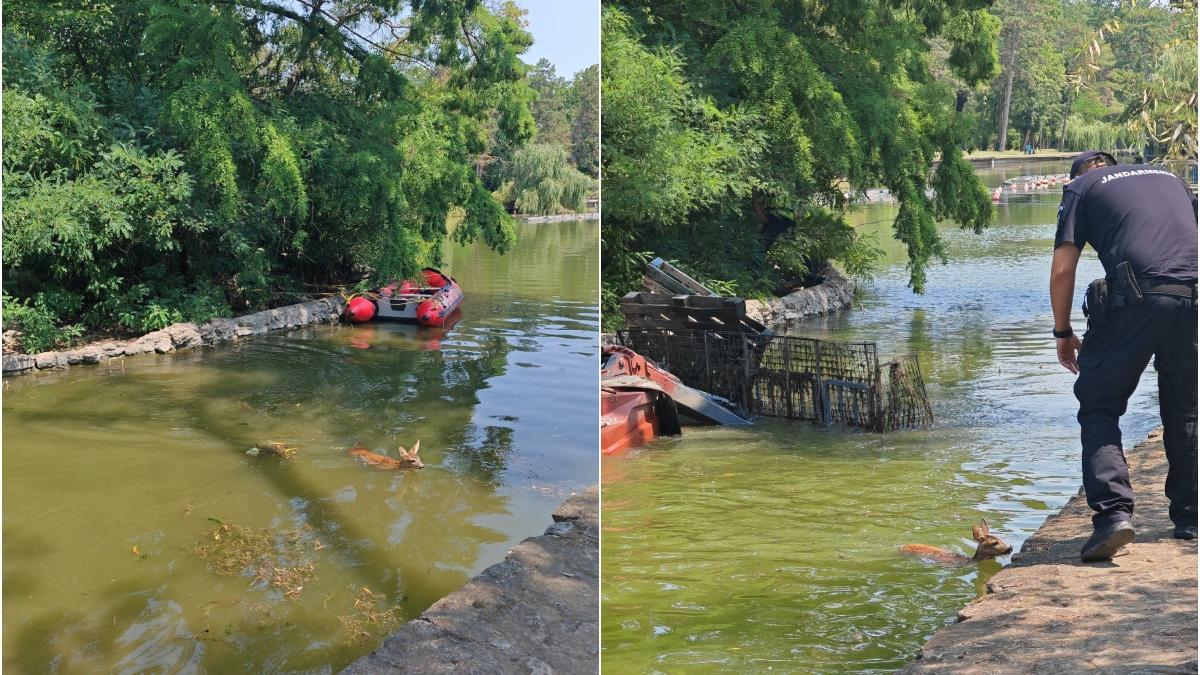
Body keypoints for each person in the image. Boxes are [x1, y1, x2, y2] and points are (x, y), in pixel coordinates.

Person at [1050, 150, 1198, 562]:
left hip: (1136, 297)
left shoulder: (1081, 188)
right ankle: (1191, 516)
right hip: (1192, 296)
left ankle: (1113, 516)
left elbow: (1062, 270)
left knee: (1098, 405)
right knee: (1185, 408)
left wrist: (1062, 332)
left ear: (1076, 177)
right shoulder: (1170, 178)